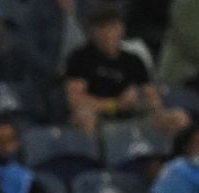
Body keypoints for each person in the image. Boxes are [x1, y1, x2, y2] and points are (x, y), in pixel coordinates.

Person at [64, 5, 187, 136]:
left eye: (111, 27)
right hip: (99, 117)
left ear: (121, 29)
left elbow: (152, 97)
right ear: (92, 31)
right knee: (84, 115)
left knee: (179, 117)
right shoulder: (81, 57)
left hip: (132, 117)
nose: (107, 33)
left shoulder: (133, 60)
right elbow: (75, 99)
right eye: (101, 28)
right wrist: (115, 105)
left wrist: (140, 100)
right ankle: (95, 155)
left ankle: (159, 155)